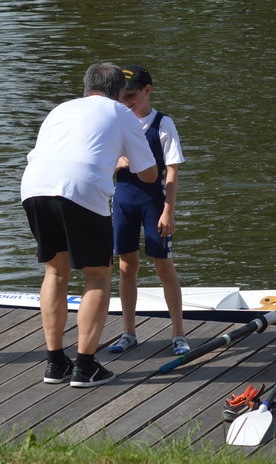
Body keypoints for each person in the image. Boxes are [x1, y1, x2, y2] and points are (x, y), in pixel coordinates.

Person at [21, 63, 158, 388]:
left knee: (56, 272)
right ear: (118, 93)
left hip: (34, 187)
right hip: (79, 189)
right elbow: (149, 173)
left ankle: (55, 363)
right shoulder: (121, 112)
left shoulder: (60, 110)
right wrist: (120, 161)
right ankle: (85, 366)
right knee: (97, 274)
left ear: (87, 88)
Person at [107, 65, 189, 357]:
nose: (125, 101)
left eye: (131, 95)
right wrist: (117, 162)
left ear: (148, 90)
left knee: (163, 266)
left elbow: (172, 172)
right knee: (126, 267)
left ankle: (178, 334)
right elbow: (100, 161)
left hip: (154, 203)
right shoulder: (116, 123)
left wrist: (169, 211)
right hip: (123, 201)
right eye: (122, 96)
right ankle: (128, 332)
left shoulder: (163, 124)